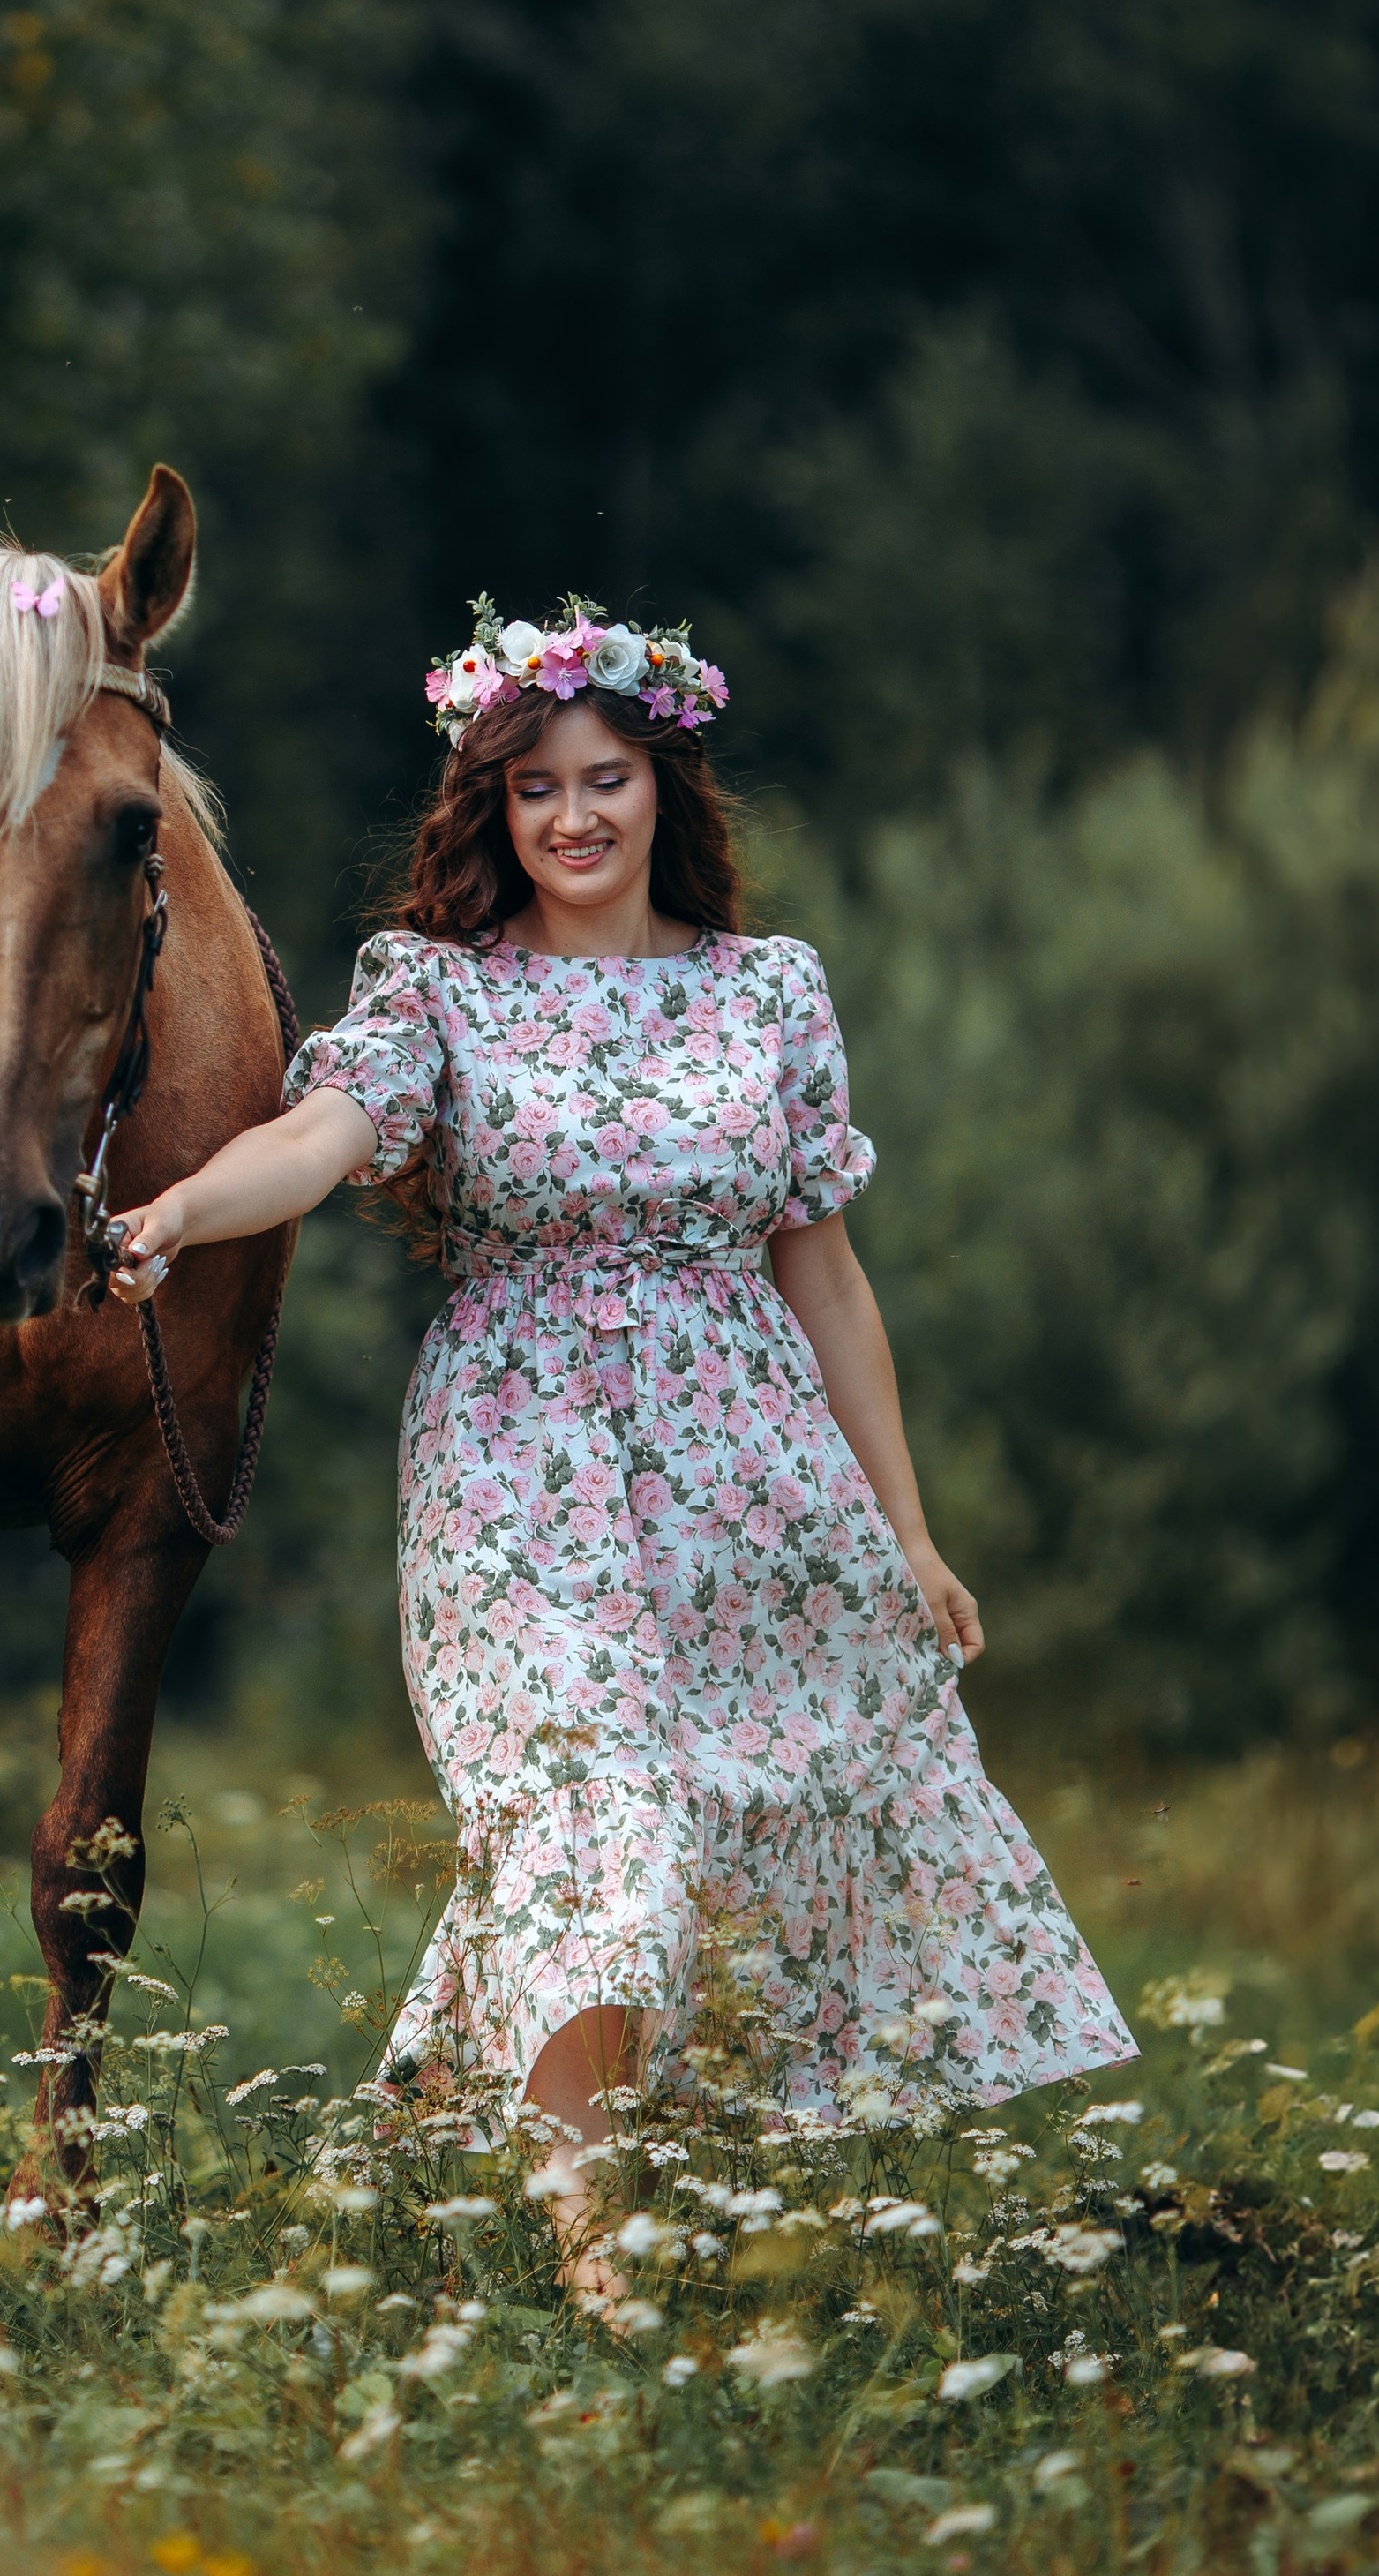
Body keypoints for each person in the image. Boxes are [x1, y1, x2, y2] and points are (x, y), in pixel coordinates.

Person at [109, 597, 1135, 2310]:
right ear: (490, 814)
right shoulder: (436, 993)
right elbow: (318, 1137)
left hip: (754, 1466)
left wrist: (907, 1528)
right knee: (595, 1812)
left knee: (741, 1825)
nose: (571, 817)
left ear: (661, 785)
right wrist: (177, 1214)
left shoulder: (765, 994)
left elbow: (819, 1262)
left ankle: (536, 2167)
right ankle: (600, 2263)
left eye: (602, 780)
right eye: (532, 791)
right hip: (521, 1454)